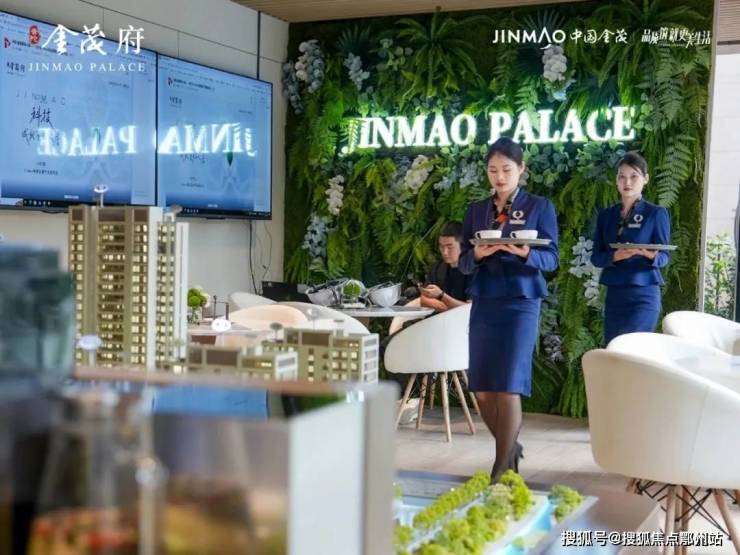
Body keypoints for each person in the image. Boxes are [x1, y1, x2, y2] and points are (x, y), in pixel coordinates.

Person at [458, 137, 559, 481]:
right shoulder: (477, 211)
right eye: (492, 170)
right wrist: (478, 254)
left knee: (508, 383)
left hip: (521, 300)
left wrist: (525, 253)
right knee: (482, 387)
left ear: (521, 169)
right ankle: (510, 447)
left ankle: (500, 470)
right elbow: (463, 262)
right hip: (486, 299)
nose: (499, 177)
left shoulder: (539, 206)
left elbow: (552, 258)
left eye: (506, 169)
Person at [591, 152, 671, 345]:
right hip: (615, 294)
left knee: (634, 348)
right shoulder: (606, 215)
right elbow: (596, 257)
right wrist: (615, 257)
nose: (627, 182)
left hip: (644, 293)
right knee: (614, 349)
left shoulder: (655, 214)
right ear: (616, 181)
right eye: (622, 176)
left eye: (634, 176)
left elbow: (664, 256)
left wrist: (651, 256)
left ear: (645, 179)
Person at [418, 221, 471, 311]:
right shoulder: (437, 269)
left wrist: (441, 296)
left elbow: (470, 309)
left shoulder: (476, 271)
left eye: (450, 247)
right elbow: (424, 300)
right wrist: (450, 306)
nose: (445, 252)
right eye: (441, 247)